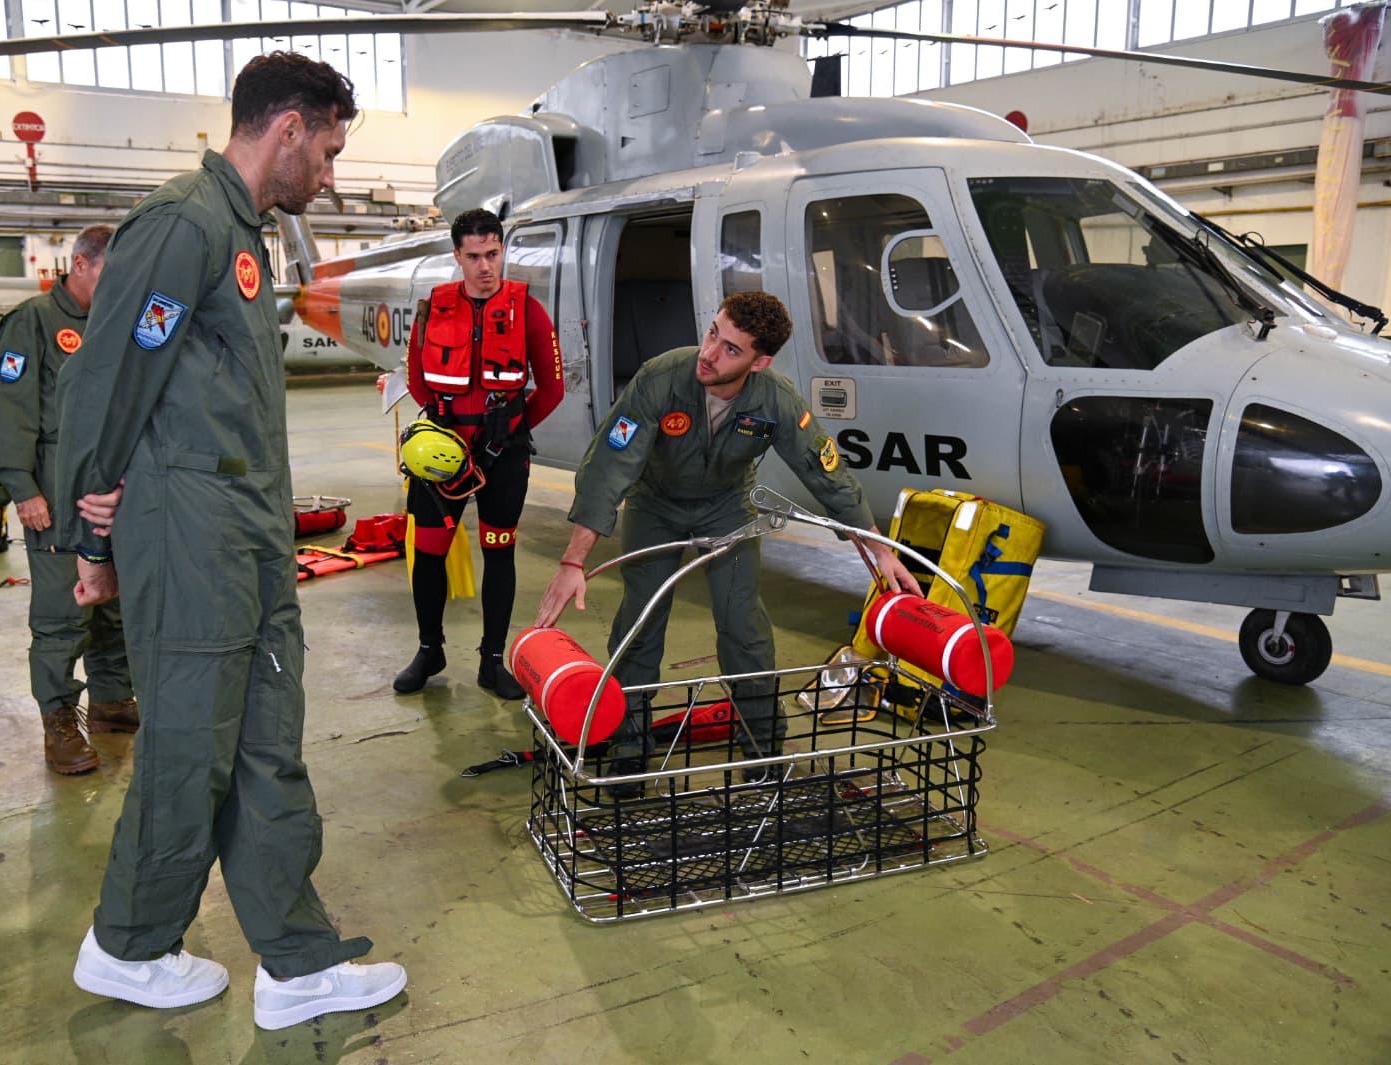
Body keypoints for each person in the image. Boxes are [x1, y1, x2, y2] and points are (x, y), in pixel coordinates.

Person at [55, 51, 405, 1029]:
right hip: (193, 531)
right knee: (190, 752)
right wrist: (91, 540)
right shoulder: (184, 225)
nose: (329, 174)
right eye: (328, 151)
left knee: (262, 748)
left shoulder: (241, 236)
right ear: (287, 126)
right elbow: (109, 383)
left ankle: (295, 963)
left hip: (248, 533)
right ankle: (127, 944)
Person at [534, 292, 921, 793]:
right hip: (656, 505)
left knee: (744, 628)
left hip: (727, 508)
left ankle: (763, 752)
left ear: (759, 362)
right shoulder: (661, 379)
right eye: (713, 332)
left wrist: (880, 549)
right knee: (641, 623)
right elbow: (610, 468)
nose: (710, 353)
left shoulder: (775, 400)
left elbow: (826, 473)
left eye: (731, 349)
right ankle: (629, 751)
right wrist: (573, 561)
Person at [0, 224, 137, 776]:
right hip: (54, 489)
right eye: (109, 272)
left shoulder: (112, 320)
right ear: (80, 265)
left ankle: (113, 701)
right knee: (61, 611)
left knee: (112, 602)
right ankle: (58, 723)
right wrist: (21, 489)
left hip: (108, 490)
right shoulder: (34, 321)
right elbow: (10, 413)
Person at [393, 207, 564, 697]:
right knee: (428, 553)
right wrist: (446, 433)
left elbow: (551, 389)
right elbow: (419, 380)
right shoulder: (433, 306)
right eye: (474, 256)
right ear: (457, 256)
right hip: (442, 455)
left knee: (499, 553)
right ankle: (430, 650)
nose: (486, 266)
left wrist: (509, 429)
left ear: (502, 250)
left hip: (503, 455)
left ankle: (492, 661)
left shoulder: (528, 308)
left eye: (493, 253)